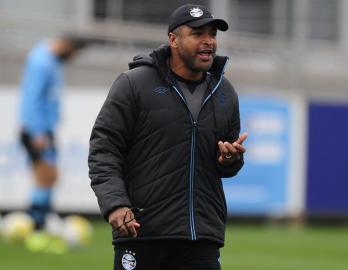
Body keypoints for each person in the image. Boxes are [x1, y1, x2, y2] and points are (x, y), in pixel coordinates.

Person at [89, 4, 247, 270]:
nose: (208, 40)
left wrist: (229, 160)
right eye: (198, 34)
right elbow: (104, 149)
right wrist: (115, 204)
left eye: (212, 34)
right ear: (173, 39)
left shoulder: (225, 92)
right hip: (142, 232)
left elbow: (225, 167)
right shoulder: (133, 84)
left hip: (201, 237)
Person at [19, 36, 85, 232]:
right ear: (66, 46)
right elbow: (32, 97)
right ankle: (36, 223)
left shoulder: (50, 60)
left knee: (51, 175)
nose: (71, 58)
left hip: (45, 128)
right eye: (72, 54)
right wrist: (37, 132)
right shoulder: (42, 62)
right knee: (45, 175)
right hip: (38, 130)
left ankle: (41, 218)